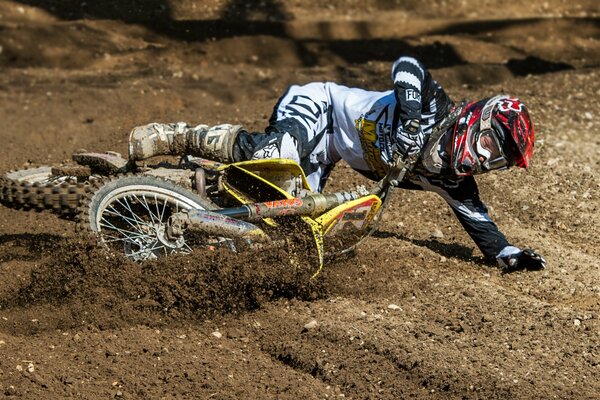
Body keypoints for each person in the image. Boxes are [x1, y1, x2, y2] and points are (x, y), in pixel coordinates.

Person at [128, 56, 546, 272]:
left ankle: (190, 191)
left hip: (328, 154)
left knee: (282, 221)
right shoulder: (438, 107)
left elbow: (481, 223)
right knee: (275, 157)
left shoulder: (451, 179)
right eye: (492, 144)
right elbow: (407, 66)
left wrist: (507, 253)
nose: (486, 159)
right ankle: (178, 134)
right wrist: (414, 119)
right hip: (321, 106)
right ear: (479, 118)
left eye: (498, 161)